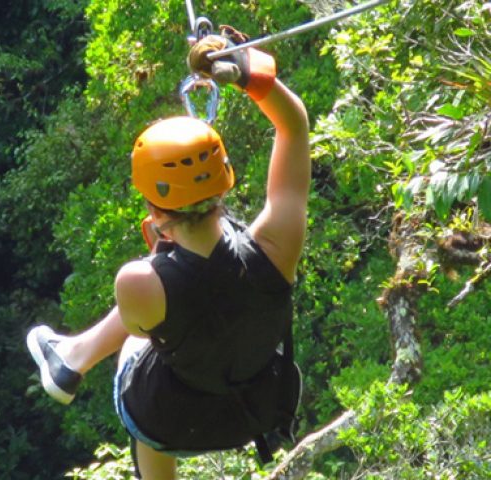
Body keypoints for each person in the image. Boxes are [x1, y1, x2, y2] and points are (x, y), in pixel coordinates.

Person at [26, 29, 311, 480]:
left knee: (139, 345)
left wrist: (159, 258)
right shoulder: (279, 242)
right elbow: (293, 125)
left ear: (154, 209)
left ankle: (74, 359)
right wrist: (248, 72)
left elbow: (154, 316)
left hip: (174, 419)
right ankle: (73, 357)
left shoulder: (137, 282)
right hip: (256, 410)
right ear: (226, 179)